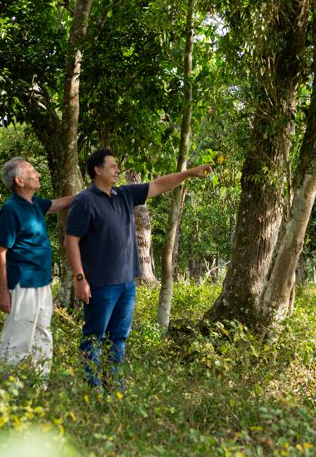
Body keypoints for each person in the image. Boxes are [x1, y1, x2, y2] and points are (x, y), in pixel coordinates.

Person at [65, 149, 211, 388]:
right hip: (100, 285)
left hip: (126, 285)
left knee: (119, 338)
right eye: (112, 166)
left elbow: (158, 185)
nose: (117, 170)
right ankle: (90, 390)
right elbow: (71, 240)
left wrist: (188, 173)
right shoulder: (85, 201)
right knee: (94, 338)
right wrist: (80, 278)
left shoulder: (123, 194)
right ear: (97, 170)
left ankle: (115, 386)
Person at [0, 157, 73, 378]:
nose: (37, 175)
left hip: (43, 283)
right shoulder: (11, 209)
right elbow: (0, 252)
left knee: (42, 333)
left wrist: (88, 194)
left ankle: (40, 386)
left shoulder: (35, 203)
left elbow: (58, 204)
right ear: (20, 180)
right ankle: (7, 390)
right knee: (18, 338)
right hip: (22, 283)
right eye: (32, 172)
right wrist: (4, 293)